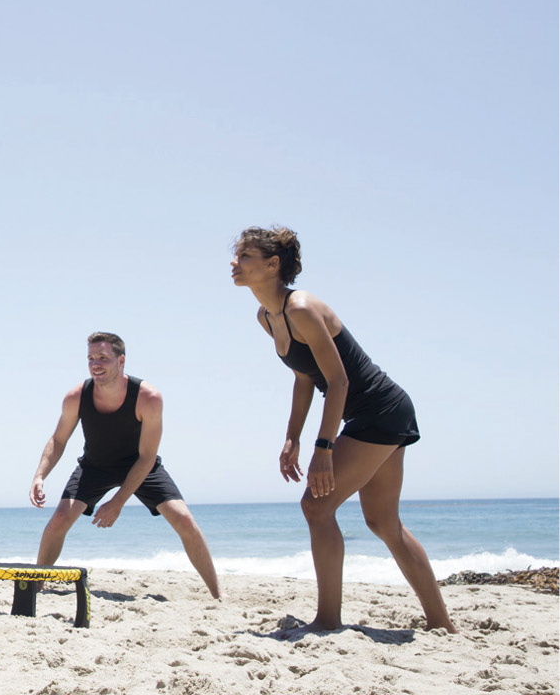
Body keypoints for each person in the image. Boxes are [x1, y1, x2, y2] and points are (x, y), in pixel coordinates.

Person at [231, 226, 454, 633]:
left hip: (380, 411)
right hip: (372, 415)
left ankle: (328, 620)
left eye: (245, 256)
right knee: (384, 523)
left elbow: (339, 382)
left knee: (316, 506)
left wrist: (324, 448)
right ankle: (443, 626)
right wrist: (292, 437)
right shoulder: (267, 317)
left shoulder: (300, 308)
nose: (235, 263)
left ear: (272, 264)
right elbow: (303, 377)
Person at [29, 332, 221, 598]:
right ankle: (36, 587)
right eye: (91, 358)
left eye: (103, 358)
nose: (96, 364)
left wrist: (117, 503)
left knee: (185, 520)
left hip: (141, 465)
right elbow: (58, 439)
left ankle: (217, 594)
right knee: (58, 520)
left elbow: (147, 457)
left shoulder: (148, 397)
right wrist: (40, 475)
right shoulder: (76, 396)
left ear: (121, 361)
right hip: (94, 466)